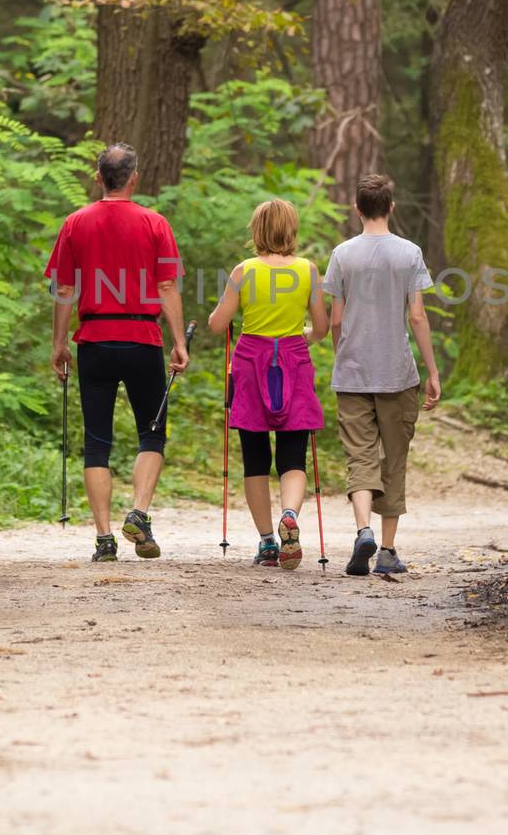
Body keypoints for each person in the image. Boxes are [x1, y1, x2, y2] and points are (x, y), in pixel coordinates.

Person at [46, 143, 189, 562]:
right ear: (134, 178)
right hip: (143, 339)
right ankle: (139, 513)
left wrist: (59, 344)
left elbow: (64, 290)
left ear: (98, 178)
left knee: (96, 443)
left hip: (93, 342)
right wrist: (179, 340)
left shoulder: (75, 223)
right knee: (152, 433)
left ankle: (104, 539)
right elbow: (166, 287)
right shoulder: (154, 223)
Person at [323, 172, 442, 577]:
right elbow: (417, 315)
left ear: (357, 208)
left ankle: (362, 531)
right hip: (397, 373)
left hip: (353, 373)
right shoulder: (409, 253)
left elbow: (336, 320)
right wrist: (432, 370)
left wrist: (344, 353)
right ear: (391, 207)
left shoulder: (342, 255)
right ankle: (387, 550)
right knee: (394, 458)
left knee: (359, 456)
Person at [207, 198, 329, 570]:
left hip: (250, 362)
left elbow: (216, 324)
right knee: (293, 455)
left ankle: (267, 543)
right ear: (291, 230)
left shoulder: (244, 271)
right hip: (293, 360)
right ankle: (290, 513)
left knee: (255, 457)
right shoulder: (308, 271)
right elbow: (322, 328)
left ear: (256, 231)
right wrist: (302, 336)